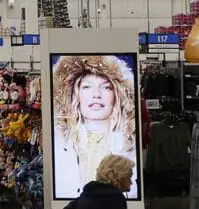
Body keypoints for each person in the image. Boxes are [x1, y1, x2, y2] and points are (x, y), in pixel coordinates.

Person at [51, 55, 137, 200]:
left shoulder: (130, 143)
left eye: (106, 87)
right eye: (87, 87)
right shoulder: (58, 142)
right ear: (74, 94)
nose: (96, 94)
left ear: (117, 94)